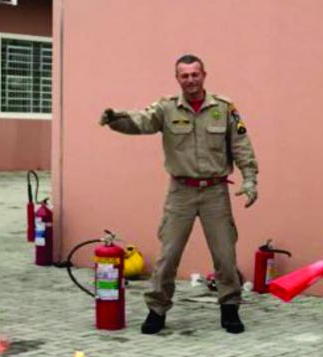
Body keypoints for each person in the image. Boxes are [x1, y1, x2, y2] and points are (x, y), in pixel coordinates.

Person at [99, 54, 258, 335]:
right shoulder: (166, 108)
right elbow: (141, 121)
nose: (190, 80)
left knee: (225, 255)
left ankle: (230, 308)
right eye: (184, 76)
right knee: (168, 256)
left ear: (204, 75)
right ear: (177, 79)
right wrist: (116, 120)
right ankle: (157, 310)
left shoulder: (224, 108)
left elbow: (241, 143)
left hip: (215, 192)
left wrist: (250, 179)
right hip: (181, 192)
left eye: (195, 74)